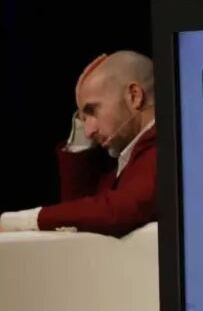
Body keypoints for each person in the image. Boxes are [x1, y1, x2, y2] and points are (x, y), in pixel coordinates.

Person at [0, 51, 157, 237]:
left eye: (92, 111)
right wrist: (80, 127)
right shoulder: (131, 160)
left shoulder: (169, 149)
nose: (88, 131)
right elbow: (80, 210)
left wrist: (19, 221)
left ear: (134, 96)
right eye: (83, 119)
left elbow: (115, 212)